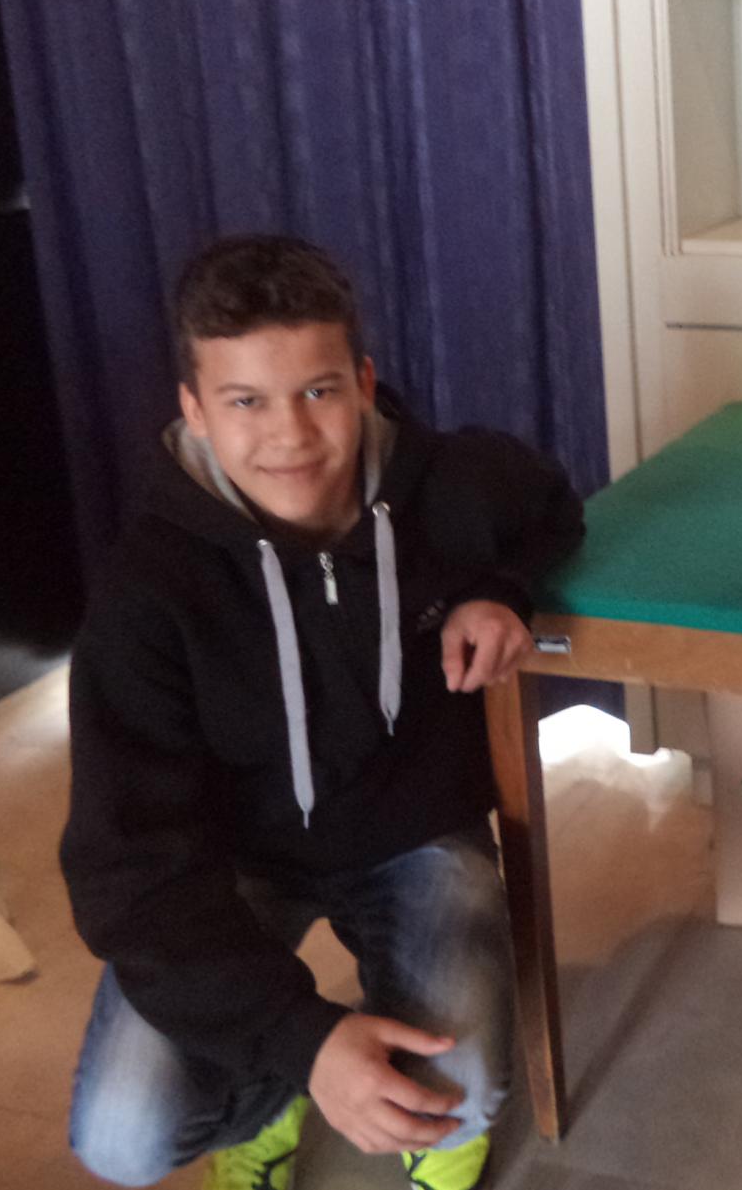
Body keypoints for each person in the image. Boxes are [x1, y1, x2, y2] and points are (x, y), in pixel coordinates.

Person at [62, 236, 586, 1189]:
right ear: (193, 409)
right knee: (122, 1135)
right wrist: (302, 1042)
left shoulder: (450, 479)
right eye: (245, 401)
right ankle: (274, 1101)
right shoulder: (146, 590)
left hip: (414, 834)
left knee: (458, 1091)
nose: (291, 435)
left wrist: (499, 589)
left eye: (318, 390)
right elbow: (128, 871)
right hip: (233, 861)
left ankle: (437, 1134)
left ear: (363, 383)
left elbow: (552, 506)